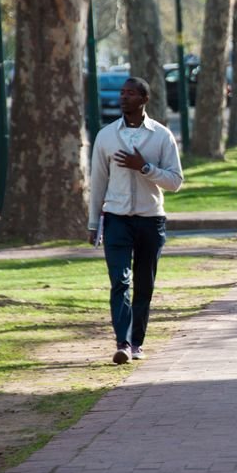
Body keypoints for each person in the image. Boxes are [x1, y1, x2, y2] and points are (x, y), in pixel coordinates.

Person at [87, 77, 184, 364]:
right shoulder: (106, 136)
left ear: (144, 99)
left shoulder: (161, 136)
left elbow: (176, 181)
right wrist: (94, 224)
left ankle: (137, 342)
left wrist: (144, 167)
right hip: (116, 219)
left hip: (150, 220)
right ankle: (123, 343)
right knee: (120, 280)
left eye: (130, 93)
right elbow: (97, 182)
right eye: (122, 93)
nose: (123, 97)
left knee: (144, 285)